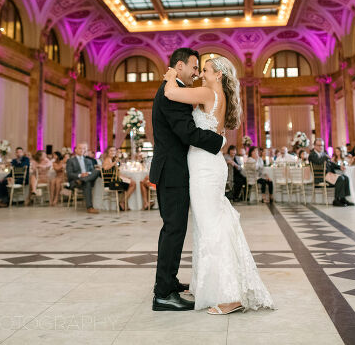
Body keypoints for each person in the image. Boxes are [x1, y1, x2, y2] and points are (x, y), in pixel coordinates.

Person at [162, 53, 274, 315]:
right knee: (208, 225)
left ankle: (230, 295)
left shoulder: (206, 93)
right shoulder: (216, 95)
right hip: (208, 165)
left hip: (205, 168)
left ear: (218, 75)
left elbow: (170, 93)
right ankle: (207, 286)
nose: (201, 74)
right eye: (200, 70)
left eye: (206, 70)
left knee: (211, 227)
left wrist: (170, 76)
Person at [149, 48, 226, 312]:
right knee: (173, 230)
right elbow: (187, 132)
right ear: (179, 66)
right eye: (194, 67)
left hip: (174, 170)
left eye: (200, 69)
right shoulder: (171, 93)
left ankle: (169, 281)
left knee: (174, 229)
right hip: (172, 172)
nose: (196, 73)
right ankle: (163, 293)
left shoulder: (175, 88)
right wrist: (218, 141)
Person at [308, 139, 353, 206]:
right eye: (319, 145)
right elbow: (318, 162)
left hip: (328, 175)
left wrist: (339, 167)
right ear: (314, 146)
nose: (321, 147)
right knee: (340, 179)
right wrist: (325, 157)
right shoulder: (312, 155)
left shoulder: (323, 154)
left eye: (322, 145)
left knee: (346, 178)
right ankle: (336, 200)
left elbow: (331, 163)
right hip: (321, 177)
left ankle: (343, 199)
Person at [66, 144, 101, 214]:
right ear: (75, 150)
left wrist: (87, 174)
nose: (82, 150)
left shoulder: (88, 160)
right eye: (80, 148)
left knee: (97, 171)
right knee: (87, 183)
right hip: (76, 181)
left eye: (83, 149)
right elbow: (69, 174)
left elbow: (91, 171)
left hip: (85, 179)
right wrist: (80, 175)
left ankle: (83, 180)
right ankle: (90, 208)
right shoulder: (70, 161)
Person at [102, 145, 135, 211]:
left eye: (114, 150)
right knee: (133, 184)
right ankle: (122, 202)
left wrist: (127, 178)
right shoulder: (107, 159)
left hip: (115, 180)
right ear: (108, 152)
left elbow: (117, 173)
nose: (113, 152)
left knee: (132, 183)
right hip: (111, 183)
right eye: (111, 151)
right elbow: (105, 168)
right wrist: (114, 162)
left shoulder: (112, 159)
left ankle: (123, 202)